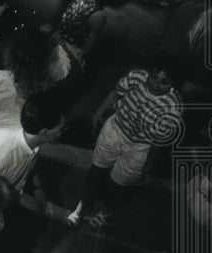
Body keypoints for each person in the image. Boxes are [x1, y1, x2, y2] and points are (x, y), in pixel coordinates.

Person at [67, 55, 186, 227]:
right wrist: (97, 114)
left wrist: (148, 167)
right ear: (148, 72)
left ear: (173, 84)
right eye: (153, 76)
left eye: (164, 82)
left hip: (140, 147)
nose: (154, 84)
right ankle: (83, 206)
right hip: (115, 131)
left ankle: (106, 210)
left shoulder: (174, 106)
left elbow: (159, 142)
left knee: (116, 184)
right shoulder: (136, 77)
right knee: (95, 173)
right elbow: (116, 94)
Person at [0, 93, 67, 200]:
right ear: (45, 132)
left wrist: (37, 188)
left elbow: (30, 160)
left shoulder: (31, 131)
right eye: (61, 128)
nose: (65, 131)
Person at [0, 27, 74, 121]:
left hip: (5, 118)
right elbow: (64, 59)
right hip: (23, 121)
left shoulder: (2, 80)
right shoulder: (57, 73)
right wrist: (53, 40)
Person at [54, 0, 132, 69]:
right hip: (69, 52)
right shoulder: (100, 15)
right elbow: (89, 45)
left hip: (57, 38)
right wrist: (82, 61)